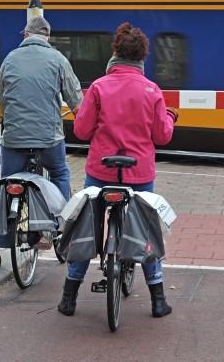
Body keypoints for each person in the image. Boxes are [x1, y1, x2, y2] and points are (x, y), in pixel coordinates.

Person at [57, 22, 178, 318]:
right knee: (147, 229)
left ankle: (69, 298)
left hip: (101, 171)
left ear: (115, 53)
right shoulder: (152, 90)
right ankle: (158, 300)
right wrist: (170, 118)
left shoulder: (99, 87)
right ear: (142, 57)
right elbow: (162, 137)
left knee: (87, 228)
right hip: (139, 175)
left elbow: (83, 130)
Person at [0, 15, 83, 267]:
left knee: (5, 185)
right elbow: (75, 99)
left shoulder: (9, 59)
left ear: (26, 35)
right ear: (47, 37)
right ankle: (63, 231)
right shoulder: (58, 59)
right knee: (59, 173)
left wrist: (13, 119)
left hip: (14, 138)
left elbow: (2, 96)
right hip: (49, 138)